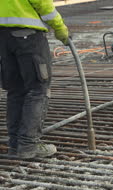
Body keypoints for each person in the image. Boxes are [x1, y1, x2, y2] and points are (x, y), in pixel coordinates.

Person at [0, 0, 69, 159]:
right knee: (38, 89)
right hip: (28, 36)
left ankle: (15, 144)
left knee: (15, 90)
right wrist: (59, 27)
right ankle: (29, 145)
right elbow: (42, 3)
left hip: (3, 38)